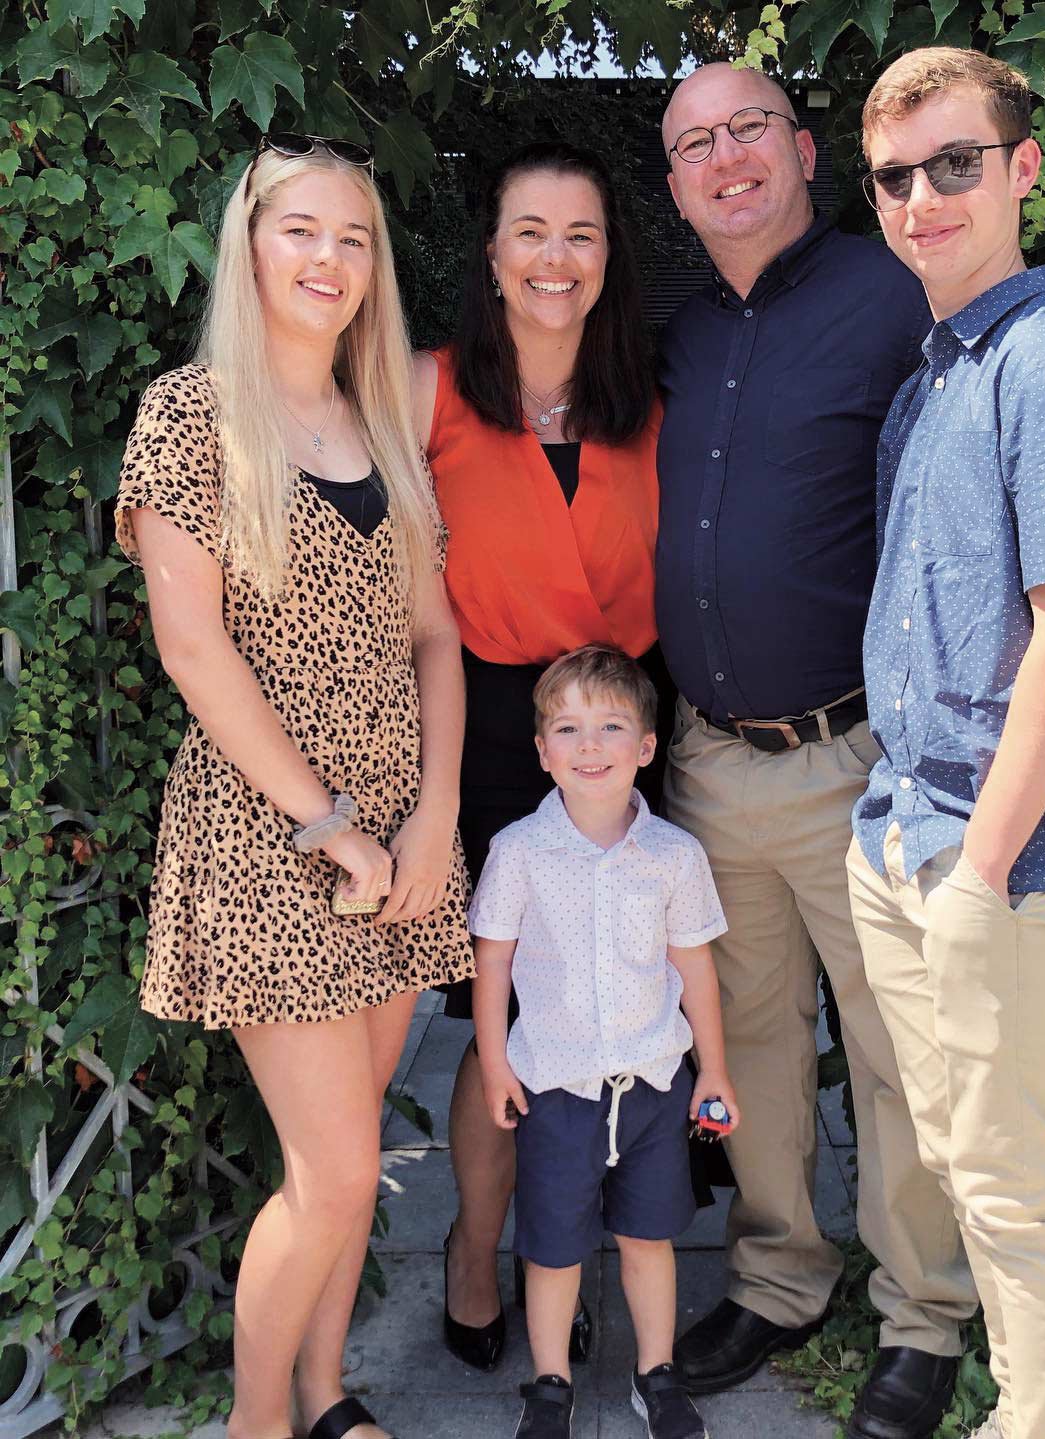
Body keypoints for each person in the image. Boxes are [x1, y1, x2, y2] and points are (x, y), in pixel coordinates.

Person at [654, 62, 1045, 1437]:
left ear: (806, 152)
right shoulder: (688, 333)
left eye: (750, 126)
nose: (727, 157)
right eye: (695, 142)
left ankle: (925, 1320)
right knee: (756, 1045)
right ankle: (777, 1273)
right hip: (723, 761)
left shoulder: (912, 298)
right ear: (676, 180)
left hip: (883, 773)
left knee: (922, 1082)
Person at [114, 135, 473, 1439]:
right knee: (331, 1176)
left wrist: (431, 815)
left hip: (399, 834)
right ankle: (255, 1425)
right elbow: (190, 646)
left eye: (354, 238)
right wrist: (327, 819)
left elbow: (437, 635)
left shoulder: (383, 418)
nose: (327, 259)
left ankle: (327, 1397)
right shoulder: (191, 412)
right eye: (300, 230)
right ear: (250, 246)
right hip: (274, 836)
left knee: (349, 1154)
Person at [847, 49, 1045, 1439]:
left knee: (1015, 1184)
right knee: (966, 1165)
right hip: (904, 829)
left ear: (1025, 169)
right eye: (898, 176)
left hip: (1001, 854)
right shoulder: (936, 377)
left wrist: (977, 876)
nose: (924, 198)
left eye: (955, 164)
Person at [410, 143, 668, 1370]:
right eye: (530, 231)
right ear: (493, 254)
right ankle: (477, 1244)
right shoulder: (427, 390)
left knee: (628, 994)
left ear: (609, 257)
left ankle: (616, 1246)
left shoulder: (652, 394)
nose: (554, 258)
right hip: (496, 728)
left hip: (625, 727)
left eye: (581, 233)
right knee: (503, 1011)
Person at [469, 644, 735, 1439]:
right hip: (556, 1086)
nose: (591, 745)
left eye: (612, 725)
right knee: (553, 1248)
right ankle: (550, 1383)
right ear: (543, 751)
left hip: (653, 1083)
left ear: (646, 748)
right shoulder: (517, 851)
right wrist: (493, 1065)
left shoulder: (674, 856)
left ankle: (656, 1373)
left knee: (651, 1238)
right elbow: (492, 964)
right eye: (570, 728)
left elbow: (695, 966)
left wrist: (712, 1069)